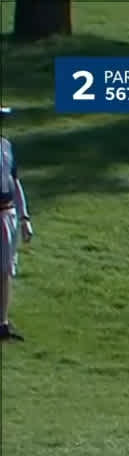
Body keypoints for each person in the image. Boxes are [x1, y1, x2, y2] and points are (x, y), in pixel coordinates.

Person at [0, 104, 35, 343]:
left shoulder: (6, 146)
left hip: (8, 214)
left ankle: (2, 323)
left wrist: (24, 218)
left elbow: (15, 182)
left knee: (5, 270)